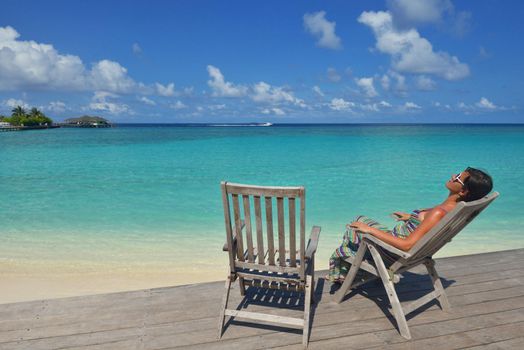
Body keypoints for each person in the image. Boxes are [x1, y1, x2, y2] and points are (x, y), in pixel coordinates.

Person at [326, 167, 493, 283]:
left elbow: (406, 245)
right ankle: (350, 271)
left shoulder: (439, 213)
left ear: (463, 192)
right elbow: (428, 226)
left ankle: (346, 272)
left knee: (358, 226)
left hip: (392, 253)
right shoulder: (453, 210)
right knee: (361, 219)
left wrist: (368, 230)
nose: (453, 175)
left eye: (458, 177)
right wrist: (412, 218)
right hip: (413, 252)